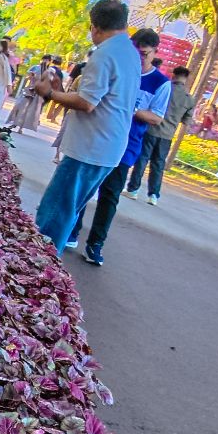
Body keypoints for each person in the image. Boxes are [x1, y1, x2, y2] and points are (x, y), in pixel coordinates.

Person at [32, 0, 139, 251]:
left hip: (90, 147)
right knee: (68, 209)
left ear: (95, 27)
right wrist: (60, 92)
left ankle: (40, 263)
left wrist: (50, 93)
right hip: (108, 147)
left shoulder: (105, 54)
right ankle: (47, 262)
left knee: (54, 213)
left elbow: (87, 102)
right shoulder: (130, 53)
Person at [78, 28, 172, 266]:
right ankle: (72, 230)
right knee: (84, 187)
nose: (139, 58)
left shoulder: (161, 83)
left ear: (154, 52)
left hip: (127, 145)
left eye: (144, 54)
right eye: (135, 52)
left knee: (109, 195)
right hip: (100, 136)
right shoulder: (121, 69)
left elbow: (156, 117)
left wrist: (131, 109)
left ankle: (95, 244)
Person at [129, 65, 193, 204]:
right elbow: (186, 121)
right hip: (167, 136)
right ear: (186, 79)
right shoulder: (189, 99)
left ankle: (133, 190)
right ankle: (153, 195)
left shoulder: (164, 88)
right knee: (158, 165)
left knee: (142, 160)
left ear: (173, 75)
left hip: (150, 129)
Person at [8, 55, 49, 134]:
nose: (45, 62)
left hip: (37, 92)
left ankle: (21, 127)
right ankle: (15, 122)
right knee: (20, 105)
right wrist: (32, 76)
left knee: (29, 109)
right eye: (44, 60)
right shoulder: (35, 67)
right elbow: (28, 76)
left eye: (47, 60)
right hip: (29, 89)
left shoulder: (47, 72)